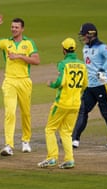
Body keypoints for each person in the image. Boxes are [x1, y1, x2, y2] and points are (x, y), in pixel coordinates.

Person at [0, 14, 40, 156]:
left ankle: (25, 141)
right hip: (9, 81)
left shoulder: (29, 43)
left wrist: (20, 56)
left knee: (25, 113)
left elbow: (36, 60)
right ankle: (8, 145)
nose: (14, 29)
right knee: (9, 113)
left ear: (22, 29)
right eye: (12, 27)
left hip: (24, 81)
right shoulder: (6, 42)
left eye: (16, 27)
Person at [37, 38, 88, 169]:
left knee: (50, 129)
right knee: (66, 132)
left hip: (62, 103)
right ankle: (69, 159)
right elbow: (85, 84)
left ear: (63, 50)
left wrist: (51, 84)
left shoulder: (63, 64)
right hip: (76, 103)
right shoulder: (82, 64)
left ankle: (52, 158)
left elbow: (60, 82)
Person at [72, 23, 107, 148]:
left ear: (91, 34)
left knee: (106, 112)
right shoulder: (85, 48)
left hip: (102, 84)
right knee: (82, 110)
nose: (82, 38)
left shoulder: (102, 47)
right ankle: (74, 139)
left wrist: (102, 69)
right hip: (90, 86)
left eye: (84, 35)